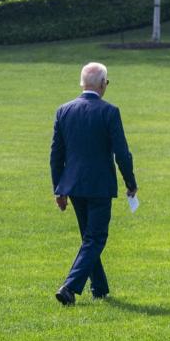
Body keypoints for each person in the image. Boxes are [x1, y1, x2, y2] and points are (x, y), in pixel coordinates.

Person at [49, 62, 137, 305]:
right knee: (96, 239)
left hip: (74, 186)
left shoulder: (63, 111)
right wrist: (130, 182)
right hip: (99, 186)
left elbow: (56, 154)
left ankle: (99, 287)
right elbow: (122, 153)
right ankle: (69, 287)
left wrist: (59, 189)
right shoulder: (109, 112)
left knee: (89, 237)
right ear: (102, 85)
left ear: (82, 84)